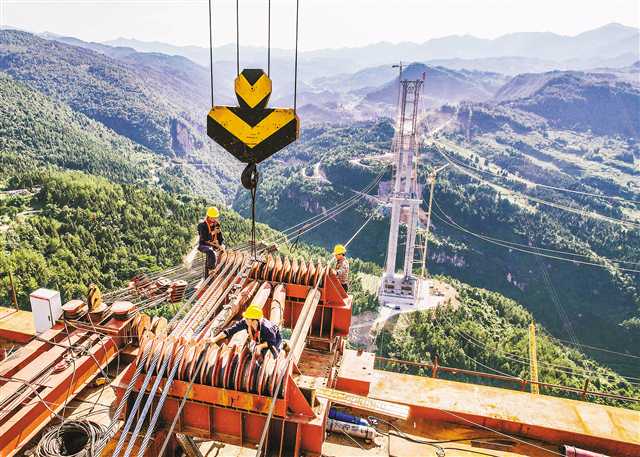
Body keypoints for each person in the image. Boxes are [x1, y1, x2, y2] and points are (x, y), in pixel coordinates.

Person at [211, 305, 285, 359]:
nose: (245, 319)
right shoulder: (245, 322)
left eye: (247, 318)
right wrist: (215, 339)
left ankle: (283, 347)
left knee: (272, 356)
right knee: (253, 354)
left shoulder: (267, 328)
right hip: (261, 339)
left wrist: (260, 346)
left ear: (254, 320)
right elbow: (229, 331)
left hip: (274, 340)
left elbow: (271, 342)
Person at [197, 207, 225, 278]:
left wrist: (220, 245)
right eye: (213, 218)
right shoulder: (202, 225)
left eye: (216, 217)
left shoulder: (216, 224)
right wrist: (213, 232)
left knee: (221, 250)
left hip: (213, 244)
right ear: (209, 217)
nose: (215, 219)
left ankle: (215, 270)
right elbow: (204, 238)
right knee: (211, 252)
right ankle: (211, 270)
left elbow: (219, 236)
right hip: (203, 245)